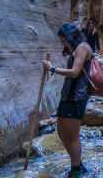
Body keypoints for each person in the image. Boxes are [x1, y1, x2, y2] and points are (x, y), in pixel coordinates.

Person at [42, 23, 93, 178]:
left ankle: (76, 170)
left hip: (77, 97)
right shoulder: (76, 49)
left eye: (63, 40)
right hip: (69, 96)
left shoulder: (83, 47)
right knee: (62, 131)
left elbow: (75, 72)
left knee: (73, 136)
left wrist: (52, 69)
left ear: (70, 36)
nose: (63, 43)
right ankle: (77, 164)